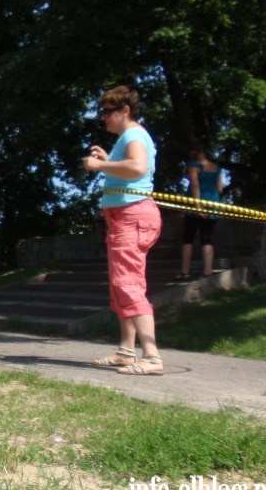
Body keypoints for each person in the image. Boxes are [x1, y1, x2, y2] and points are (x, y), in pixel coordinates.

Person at [83, 85, 164, 375]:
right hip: (125, 217)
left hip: (132, 216)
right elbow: (129, 166)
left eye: (107, 111)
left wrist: (99, 166)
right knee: (121, 285)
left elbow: (137, 167)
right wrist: (108, 160)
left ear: (125, 111)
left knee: (128, 284)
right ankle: (127, 352)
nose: (102, 118)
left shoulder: (133, 134)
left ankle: (152, 357)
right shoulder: (128, 138)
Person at [177, 144, 224, 280]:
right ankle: (208, 272)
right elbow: (220, 188)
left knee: (188, 238)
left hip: (195, 205)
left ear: (196, 152)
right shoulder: (217, 167)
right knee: (207, 239)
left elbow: (195, 185)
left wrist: (198, 206)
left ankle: (185, 272)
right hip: (213, 205)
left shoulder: (194, 165)